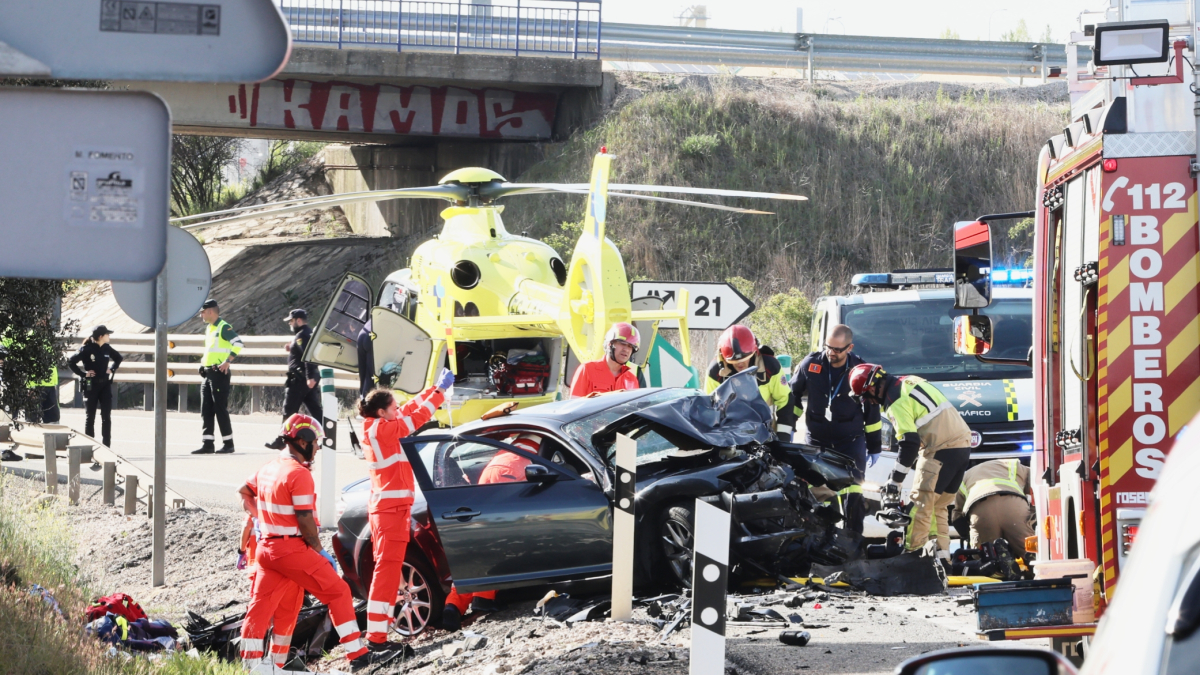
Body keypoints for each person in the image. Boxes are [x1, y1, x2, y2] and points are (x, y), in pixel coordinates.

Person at [238, 413, 391, 672]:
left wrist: (263, 519)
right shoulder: (299, 474)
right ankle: (358, 655)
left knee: (270, 608)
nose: (318, 447)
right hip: (291, 549)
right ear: (303, 440)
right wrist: (320, 552)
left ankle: (257, 666)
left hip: (267, 549)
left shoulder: (268, 468)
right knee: (339, 592)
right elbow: (306, 522)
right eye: (316, 442)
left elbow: (244, 492)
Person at [359, 367, 454, 649]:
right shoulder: (378, 429)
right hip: (389, 513)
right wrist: (438, 394)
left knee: (390, 575)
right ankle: (376, 640)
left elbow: (409, 410)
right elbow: (412, 419)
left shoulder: (381, 423)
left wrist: (433, 388)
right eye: (393, 407)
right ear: (381, 412)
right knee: (387, 575)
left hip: (393, 511)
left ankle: (380, 635)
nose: (398, 410)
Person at [849, 363, 972, 562]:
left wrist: (896, 480)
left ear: (872, 388)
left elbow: (909, 443)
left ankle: (912, 559)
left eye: (866, 397)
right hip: (962, 447)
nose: (869, 402)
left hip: (939, 448)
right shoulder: (909, 380)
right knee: (937, 507)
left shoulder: (894, 400)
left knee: (919, 506)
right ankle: (942, 560)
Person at [789, 324, 880, 534]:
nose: (831, 353)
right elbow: (793, 395)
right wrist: (789, 427)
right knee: (818, 493)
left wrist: (874, 446)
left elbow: (872, 410)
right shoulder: (811, 363)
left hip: (850, 440)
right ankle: (823, 537)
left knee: (854, 493)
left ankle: (853, 541)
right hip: (817, 440)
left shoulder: (859, 369)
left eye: (838, 350)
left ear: (850, 347)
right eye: (828, 347)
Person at [237, 463, 305, 669]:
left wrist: (241, 552)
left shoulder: (261, 507)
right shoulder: (295, 493)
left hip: (263, 567)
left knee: (259, 613)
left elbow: (246, 524)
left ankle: (252, 667)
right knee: (286, 617)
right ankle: (276, 667)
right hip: (293, 563)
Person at [705, 324, 796, 439]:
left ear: (755, 351)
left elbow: (785, 401)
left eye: (744, 358)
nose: (740, 364)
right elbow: (710, 408)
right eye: (734, 361)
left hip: (765, 431)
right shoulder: (716, 372)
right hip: (729, 435)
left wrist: (783, 436)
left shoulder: (770, 366)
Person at [954, 458, 1034, 559]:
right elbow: (1039, 495)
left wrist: (968, 536)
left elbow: (957, 517)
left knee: (985, 558)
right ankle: (1030, 568)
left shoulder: (964, 477)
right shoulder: (1018, 467)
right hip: (1013, 507)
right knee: (1031, 550)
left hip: (981, 513)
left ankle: (996, 566)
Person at [193, 299, 243, 455]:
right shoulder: (209, 328)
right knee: (206, 409)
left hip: (219, 374)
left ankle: (228, 443)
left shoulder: (223, 327)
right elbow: (210, 350)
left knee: (220, 409)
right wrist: (203, 365)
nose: (201, 314)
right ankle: (208, 443)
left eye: (202, 312)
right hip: (208, 373)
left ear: (210, 311)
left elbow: (238, 344)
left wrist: (228, 361)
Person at [266, 309, 322, 451]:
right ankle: (327, 438)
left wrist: (310, 377)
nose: (290, 324)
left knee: (289, 410)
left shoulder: (302, 336)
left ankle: (281, 440)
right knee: (315, 411)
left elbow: (308, 356)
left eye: (291, 321)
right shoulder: (306, 333)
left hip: (299, 380)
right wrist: (291, 347)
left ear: (298, 320)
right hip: (304, 379)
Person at [68, 325, 123, 448]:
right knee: (90, 416)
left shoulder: (107, 348)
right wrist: (83, 374)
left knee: (106, 417)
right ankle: (89, 446)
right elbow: (71, 362)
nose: (109, 336)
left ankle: (106, 447)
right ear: (100, 336)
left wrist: (112, 369)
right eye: (107, 334)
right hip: (90, 385)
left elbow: (119, 358)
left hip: (104, 385)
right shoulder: (86, 349)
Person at [569, 323, 640, 398]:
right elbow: (574, 404)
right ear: (609, 344)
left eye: (630, 346)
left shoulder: (632, 379)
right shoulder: (587, 369)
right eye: (622, 343)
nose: (626, 350)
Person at [356, 319, 375, 404]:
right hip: (374, 337)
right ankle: (368, 406)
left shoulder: (381, 307)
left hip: (363, 333)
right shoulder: (397, 307)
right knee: (372, 376)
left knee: (363, 373)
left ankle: (363, 401)